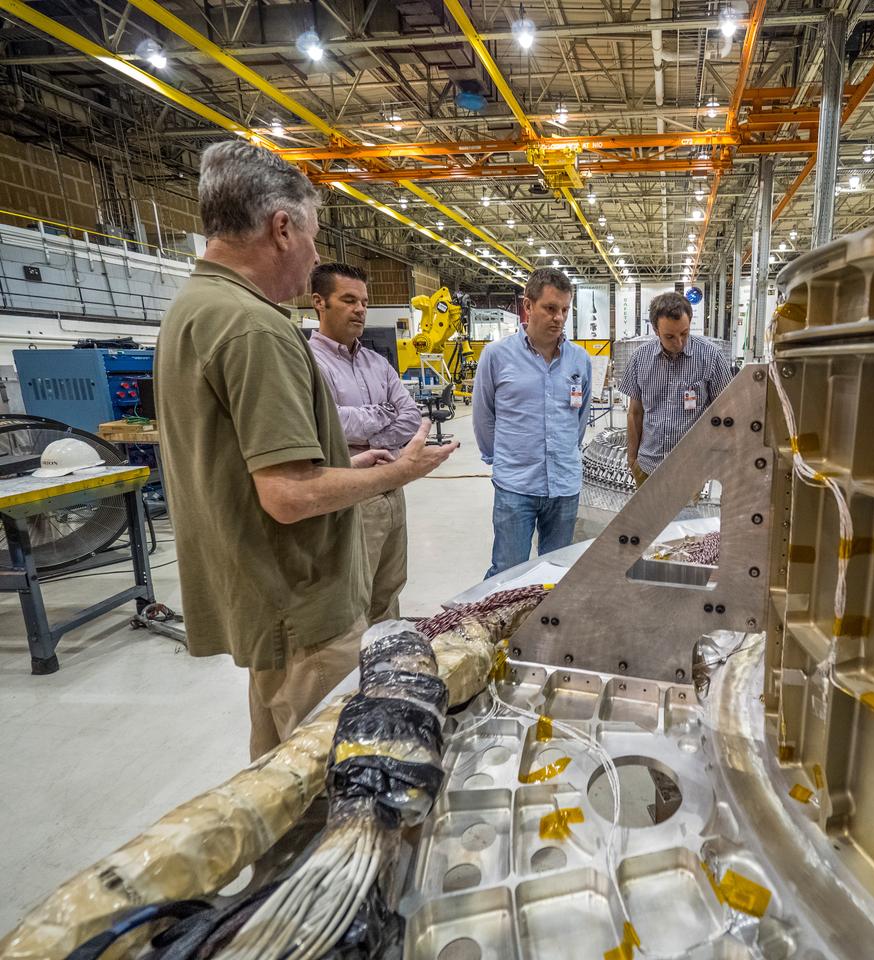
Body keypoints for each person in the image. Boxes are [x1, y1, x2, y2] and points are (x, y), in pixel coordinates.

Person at [155, 141, 458, 760]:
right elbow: (288, 496)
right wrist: (399, 470)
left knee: (277, 775)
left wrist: (349, 463)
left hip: (265, 602)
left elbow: (251, 469)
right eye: (315, 239)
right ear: (281, 227)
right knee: (334, 782)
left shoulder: (193, 309)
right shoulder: (254, 326)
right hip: (304, 610)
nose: (317, 257)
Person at [308, 262, 420, 624]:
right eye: (349, 299)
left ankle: (386, 665)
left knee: (389, 590)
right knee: (353, 597)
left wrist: (369, 435)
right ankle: (353, 675)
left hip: (392, 485)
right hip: (350, 493)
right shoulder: (309, 364)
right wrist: (381, 414)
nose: (360, 309)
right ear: (319, 302)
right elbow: (328, 425)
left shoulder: (378, 363)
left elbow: (410, 417)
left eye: (365, 302)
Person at [472, 267, 592, 578]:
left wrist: (566, 453)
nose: (559, 318)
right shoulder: (496, 356)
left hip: (564, 486)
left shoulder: (580, 360)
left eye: (565, 309)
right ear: (528, 306)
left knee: (555, 572)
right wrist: (501, 461)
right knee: (507, 572)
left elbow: (580, 418)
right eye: (550, 308)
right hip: (516, 487)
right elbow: (484, 416)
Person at [619, 291, 732, 486]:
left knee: (688, 518)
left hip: (690, 470)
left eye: (684, 333)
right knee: (648, 517)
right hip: (647, 467)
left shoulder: (711, 357)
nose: (679, 343)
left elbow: (726, 413)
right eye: (670, 336)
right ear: (655, 330)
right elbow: (635, 413)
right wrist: (632, 459)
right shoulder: (640, 358)